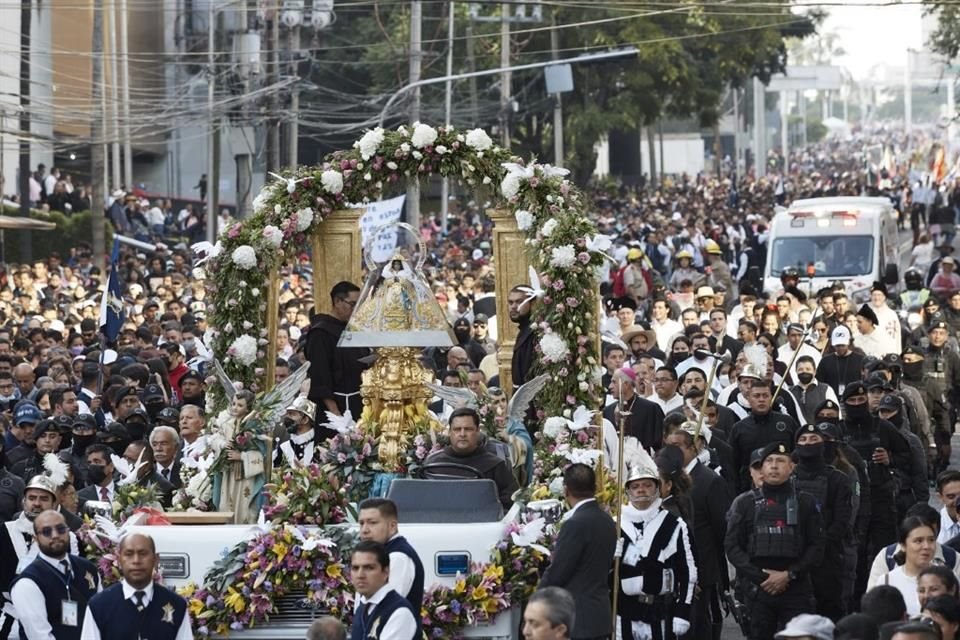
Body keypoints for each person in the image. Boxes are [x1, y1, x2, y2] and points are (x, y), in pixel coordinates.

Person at [725, 442, 825, 640]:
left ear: (792, 467)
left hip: (796, 588)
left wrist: (789, 575)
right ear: (761, 468)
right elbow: (733, 546)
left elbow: (817, 546)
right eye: (769, 461)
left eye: (780, 460)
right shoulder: (745, 503)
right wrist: (762, 577)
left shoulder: (805, 502)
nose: (774, 465)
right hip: (758, 590)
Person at [614, 449, 696, 640]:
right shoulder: (615, 525)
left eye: (647, 485)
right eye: (635, 486)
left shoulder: (674, 525)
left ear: (657, 489)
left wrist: (682, 611)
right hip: (624, 613)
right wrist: (609, 558)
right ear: (627, 491)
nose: (641, 490)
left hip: (660, 611)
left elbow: (687, 573)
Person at [662, 426, 731, 640]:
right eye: (668, 447)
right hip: (674, 570)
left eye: (677, 447)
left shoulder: (710, 480)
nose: (671, 453)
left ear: (693, 448)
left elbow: (721, 527)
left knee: (698, 624)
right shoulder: (667, 478)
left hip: (702, 565)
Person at [539, 463, 617, 640]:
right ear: (595, 488)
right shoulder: (606, 520)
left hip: (578, 620)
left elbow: (559, 571)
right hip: (599, 616)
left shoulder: (575, 524)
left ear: (566, 490)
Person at [81, 532, 192, 639]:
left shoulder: (177, 605)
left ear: (156, 560)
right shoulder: (99, 606)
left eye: (143, 553)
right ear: (119, 561)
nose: (136, 561)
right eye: (129, 554)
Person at [793, 424, 853, 621]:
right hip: (794, 558)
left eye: (814, 440)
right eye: (803, 440)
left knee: (829, 612)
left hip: (828, 559)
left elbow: (841, 521)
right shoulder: (789, 480)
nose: (808, 444)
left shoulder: (838, 479)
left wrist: (817, 547)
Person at [10, 509, 100, 639]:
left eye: (61, 529)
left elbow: (101, 616)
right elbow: (40, 636)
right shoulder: (27, 583)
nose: (55, 535)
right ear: (36, 538)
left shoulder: (88, 568)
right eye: (46, 532)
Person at [423, 408, 518, 510]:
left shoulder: (496, 465)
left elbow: (511, 501)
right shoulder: (432, 464)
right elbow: (421, 500)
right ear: (449, 432)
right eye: (457, 429)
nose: (462, 434)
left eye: (468, 429)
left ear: (477, 432)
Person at [304, 282, 369, 429]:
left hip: (359, 403)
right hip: (336, 410)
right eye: (352, 304)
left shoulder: (353, 330)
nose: (356, 310)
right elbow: (320, 377)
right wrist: (336, 415)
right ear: (338, 301)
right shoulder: (320, 333)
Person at [356, 498, 424, 627]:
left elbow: (386, 609)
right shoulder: (379, 553)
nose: (364, 530)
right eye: (361, 523)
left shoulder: (397, 557)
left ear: (392, 526)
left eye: (372, 523)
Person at [866, 516, 938, 616]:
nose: (926, 546)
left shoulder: (946, 578)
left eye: (931, 540)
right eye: (918, 541)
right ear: (903, 545)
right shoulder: (887, 580)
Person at [348, 540, 417, 640]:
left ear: (385, 572)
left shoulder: (399, 612)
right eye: (355, 568)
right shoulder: (362, 608)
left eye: (369, 568)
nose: (360, 575)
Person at [604, 367, 665, 452]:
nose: (610, 386)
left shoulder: (651, 409)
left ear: (626, 384)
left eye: (614, 382)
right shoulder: (608, 411)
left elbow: (659, 443)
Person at [274, 396, 318, 468]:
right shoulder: (283, 448)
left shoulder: (318, 447)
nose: (287, 417)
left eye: (292, 414)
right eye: (288, 414)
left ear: (305, 420)